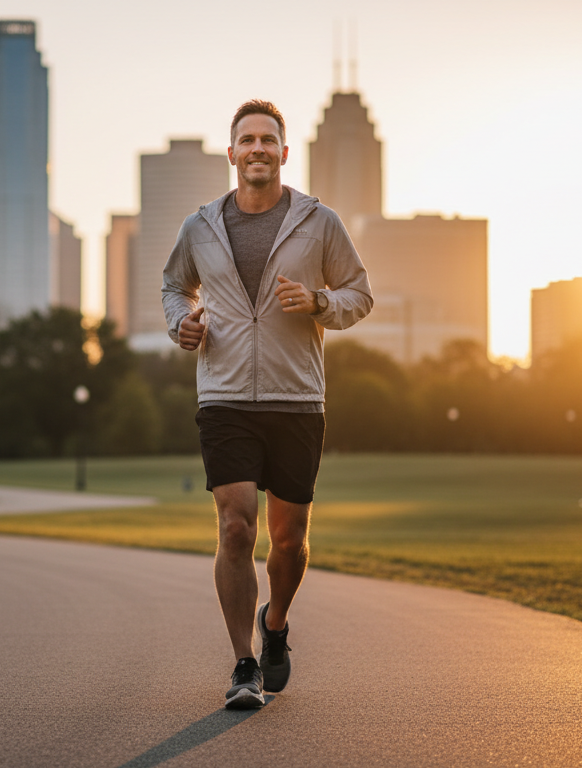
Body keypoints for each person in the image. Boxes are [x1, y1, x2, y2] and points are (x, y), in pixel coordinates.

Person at [161, 99, 373, 709]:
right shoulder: (199, 226)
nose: (257, 148)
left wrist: (319, 303)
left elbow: (360, 293)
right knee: (235, 528)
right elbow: (176, 285)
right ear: (231, 154)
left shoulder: (318, 221)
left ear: (284, 152)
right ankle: (244, 665)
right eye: (246, 140)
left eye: (268, 140)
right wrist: (183, 326)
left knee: (288, 539)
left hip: (297, 399)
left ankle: (274, 624)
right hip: (224, 396)